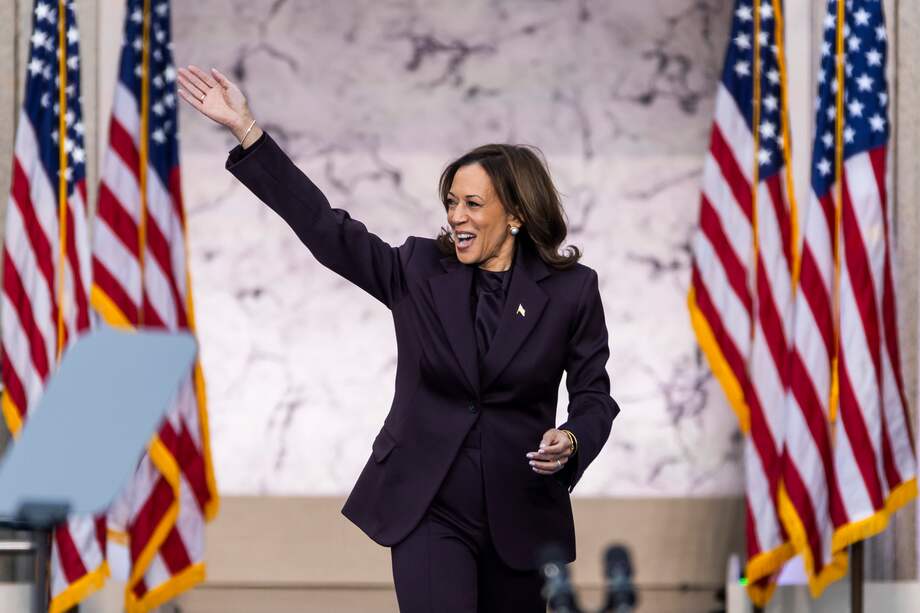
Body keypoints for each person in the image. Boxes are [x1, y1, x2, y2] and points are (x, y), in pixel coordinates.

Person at [177, 64, 619, 613]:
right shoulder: (418, 270)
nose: (456, 216)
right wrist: (248, 132)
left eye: (472, 204)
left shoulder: (572, 291)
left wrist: (573, 439)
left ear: (517, 215)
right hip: (429, 505)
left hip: (520, 512)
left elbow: (596, 396)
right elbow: (328, 231)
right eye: (451, 202)